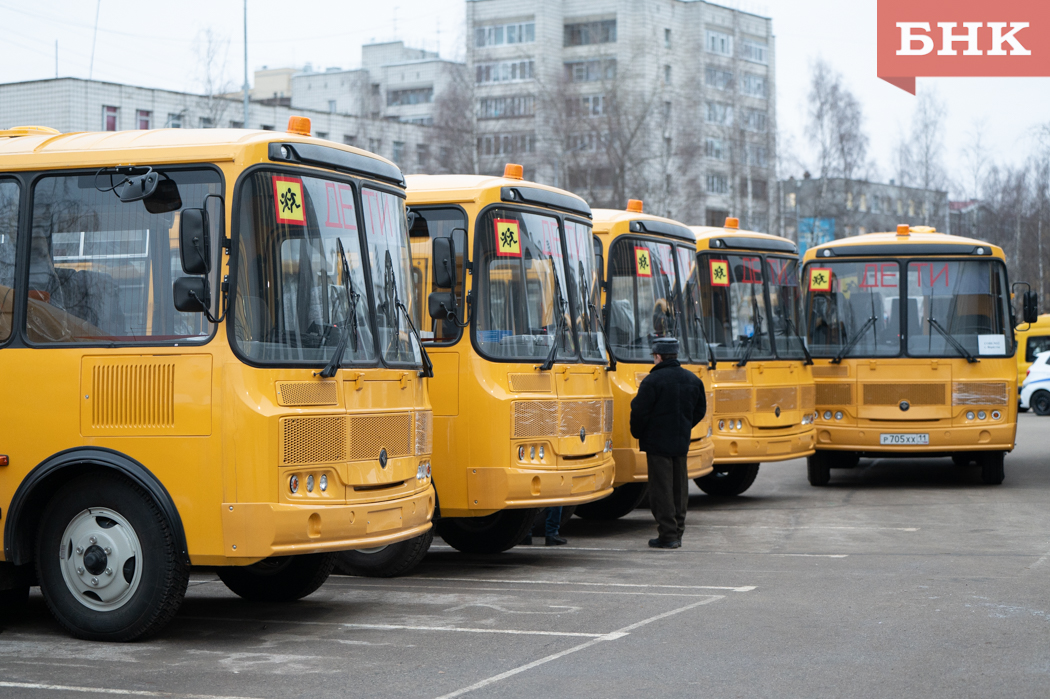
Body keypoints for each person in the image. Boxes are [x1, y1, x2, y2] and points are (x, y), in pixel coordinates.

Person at [630, 337, 706, 549]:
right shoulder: (692, 380)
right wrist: (684, 425)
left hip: (657, 444)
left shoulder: (652, 381)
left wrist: (639, 433)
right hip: (680, 442)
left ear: (657, 356)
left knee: (661, 490)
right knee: (680, 489)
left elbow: (638, 412)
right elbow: (700, 410)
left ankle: (667, 535)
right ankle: (678, 532)